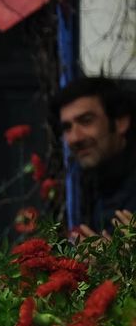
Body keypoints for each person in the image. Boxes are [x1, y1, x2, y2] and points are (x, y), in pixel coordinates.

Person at [52, 75, 136, 237]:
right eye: (67, 127)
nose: (75, 138)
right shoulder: (91, 183)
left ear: (120, 123)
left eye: (86, 121)